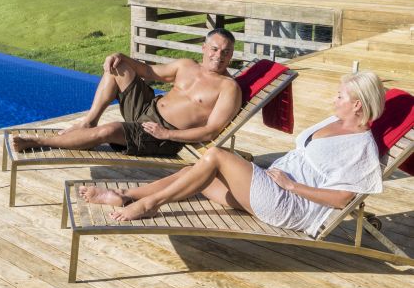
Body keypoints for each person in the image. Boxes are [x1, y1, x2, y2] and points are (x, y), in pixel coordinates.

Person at [81, 71, 385, 229]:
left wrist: (292, 185)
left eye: (340, 96)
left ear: (357, 104)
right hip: (270, 186)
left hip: (290, 204)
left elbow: (345, 198)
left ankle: (150, 204)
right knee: (194, 172)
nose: (334, 100)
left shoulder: (360, 147)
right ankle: (125, 197)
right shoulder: (335, 120)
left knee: (215, 156)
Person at [12, 28, 241, 157]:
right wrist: (119, 56)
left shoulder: (228, 88)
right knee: (117, 68)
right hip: (147, 108)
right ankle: (89, 122)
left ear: (231, 55)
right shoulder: (186, 65)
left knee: (109, 130)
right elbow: (148, 71)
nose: (218, 56)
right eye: (214, 49)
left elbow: (210, 131)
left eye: (226, 52)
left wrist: (167, 134)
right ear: (204, 48)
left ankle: (40, 141)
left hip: (161, 136)